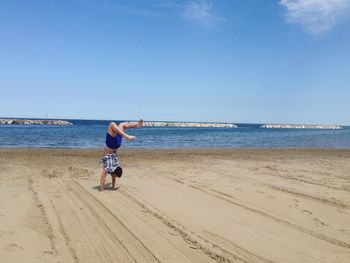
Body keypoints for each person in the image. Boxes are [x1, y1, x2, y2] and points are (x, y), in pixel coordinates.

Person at [99, 119, 143, 191]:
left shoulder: (113, 167)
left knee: (116, 124)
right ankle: (133, 129)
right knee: (115, 124)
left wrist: (102, 189)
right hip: (112, 146)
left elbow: (104, 176)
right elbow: (107, 175)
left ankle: (135, 126)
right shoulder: (112, 168)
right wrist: (104, 188)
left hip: (115, 146)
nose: (114, 176)